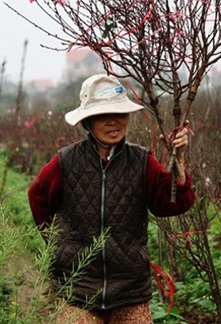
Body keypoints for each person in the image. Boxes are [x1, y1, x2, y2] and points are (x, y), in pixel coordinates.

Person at [28, 73, 196, 323]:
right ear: (87, 122)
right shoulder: (66, 161)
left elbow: (171, 204)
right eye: (102, 115)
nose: (112, 122)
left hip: (130, 289)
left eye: (118, 114)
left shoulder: (141, 161)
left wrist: (178, 161)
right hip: (78, 287)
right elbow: (37, 197)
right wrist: (58, 245)